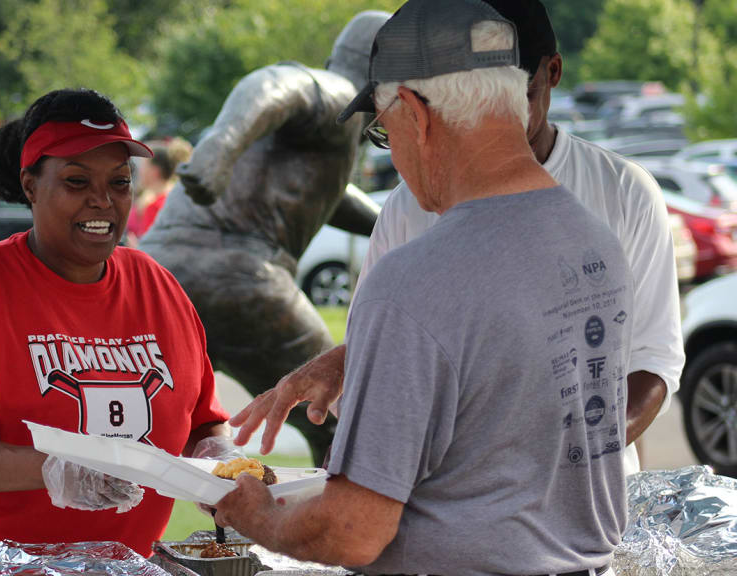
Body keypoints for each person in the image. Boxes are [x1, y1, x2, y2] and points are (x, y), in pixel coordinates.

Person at [214, 1, 632, 574]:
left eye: (384, 130)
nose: (393, 152)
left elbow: (352, 531)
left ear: (416, 112)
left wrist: (256, 514)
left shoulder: (414, 279)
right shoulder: (594, 241)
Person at [0, 88, 234, 561]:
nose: (102, 201)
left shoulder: (159, 287)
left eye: (119, 182)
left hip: (118, 565)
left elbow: (202, 423)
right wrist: (56, 470)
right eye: (76, 182)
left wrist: (217, 465)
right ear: (30, 186)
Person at [138, 11, 387, 464]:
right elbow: (273, 84)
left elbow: (333, 197)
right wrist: (219, 147)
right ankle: (345, 529)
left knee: (141, 416)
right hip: (242, 275)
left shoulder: (325, 139)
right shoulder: (340, 91)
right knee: (341, 414)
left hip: (163, 275)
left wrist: (405, 221)